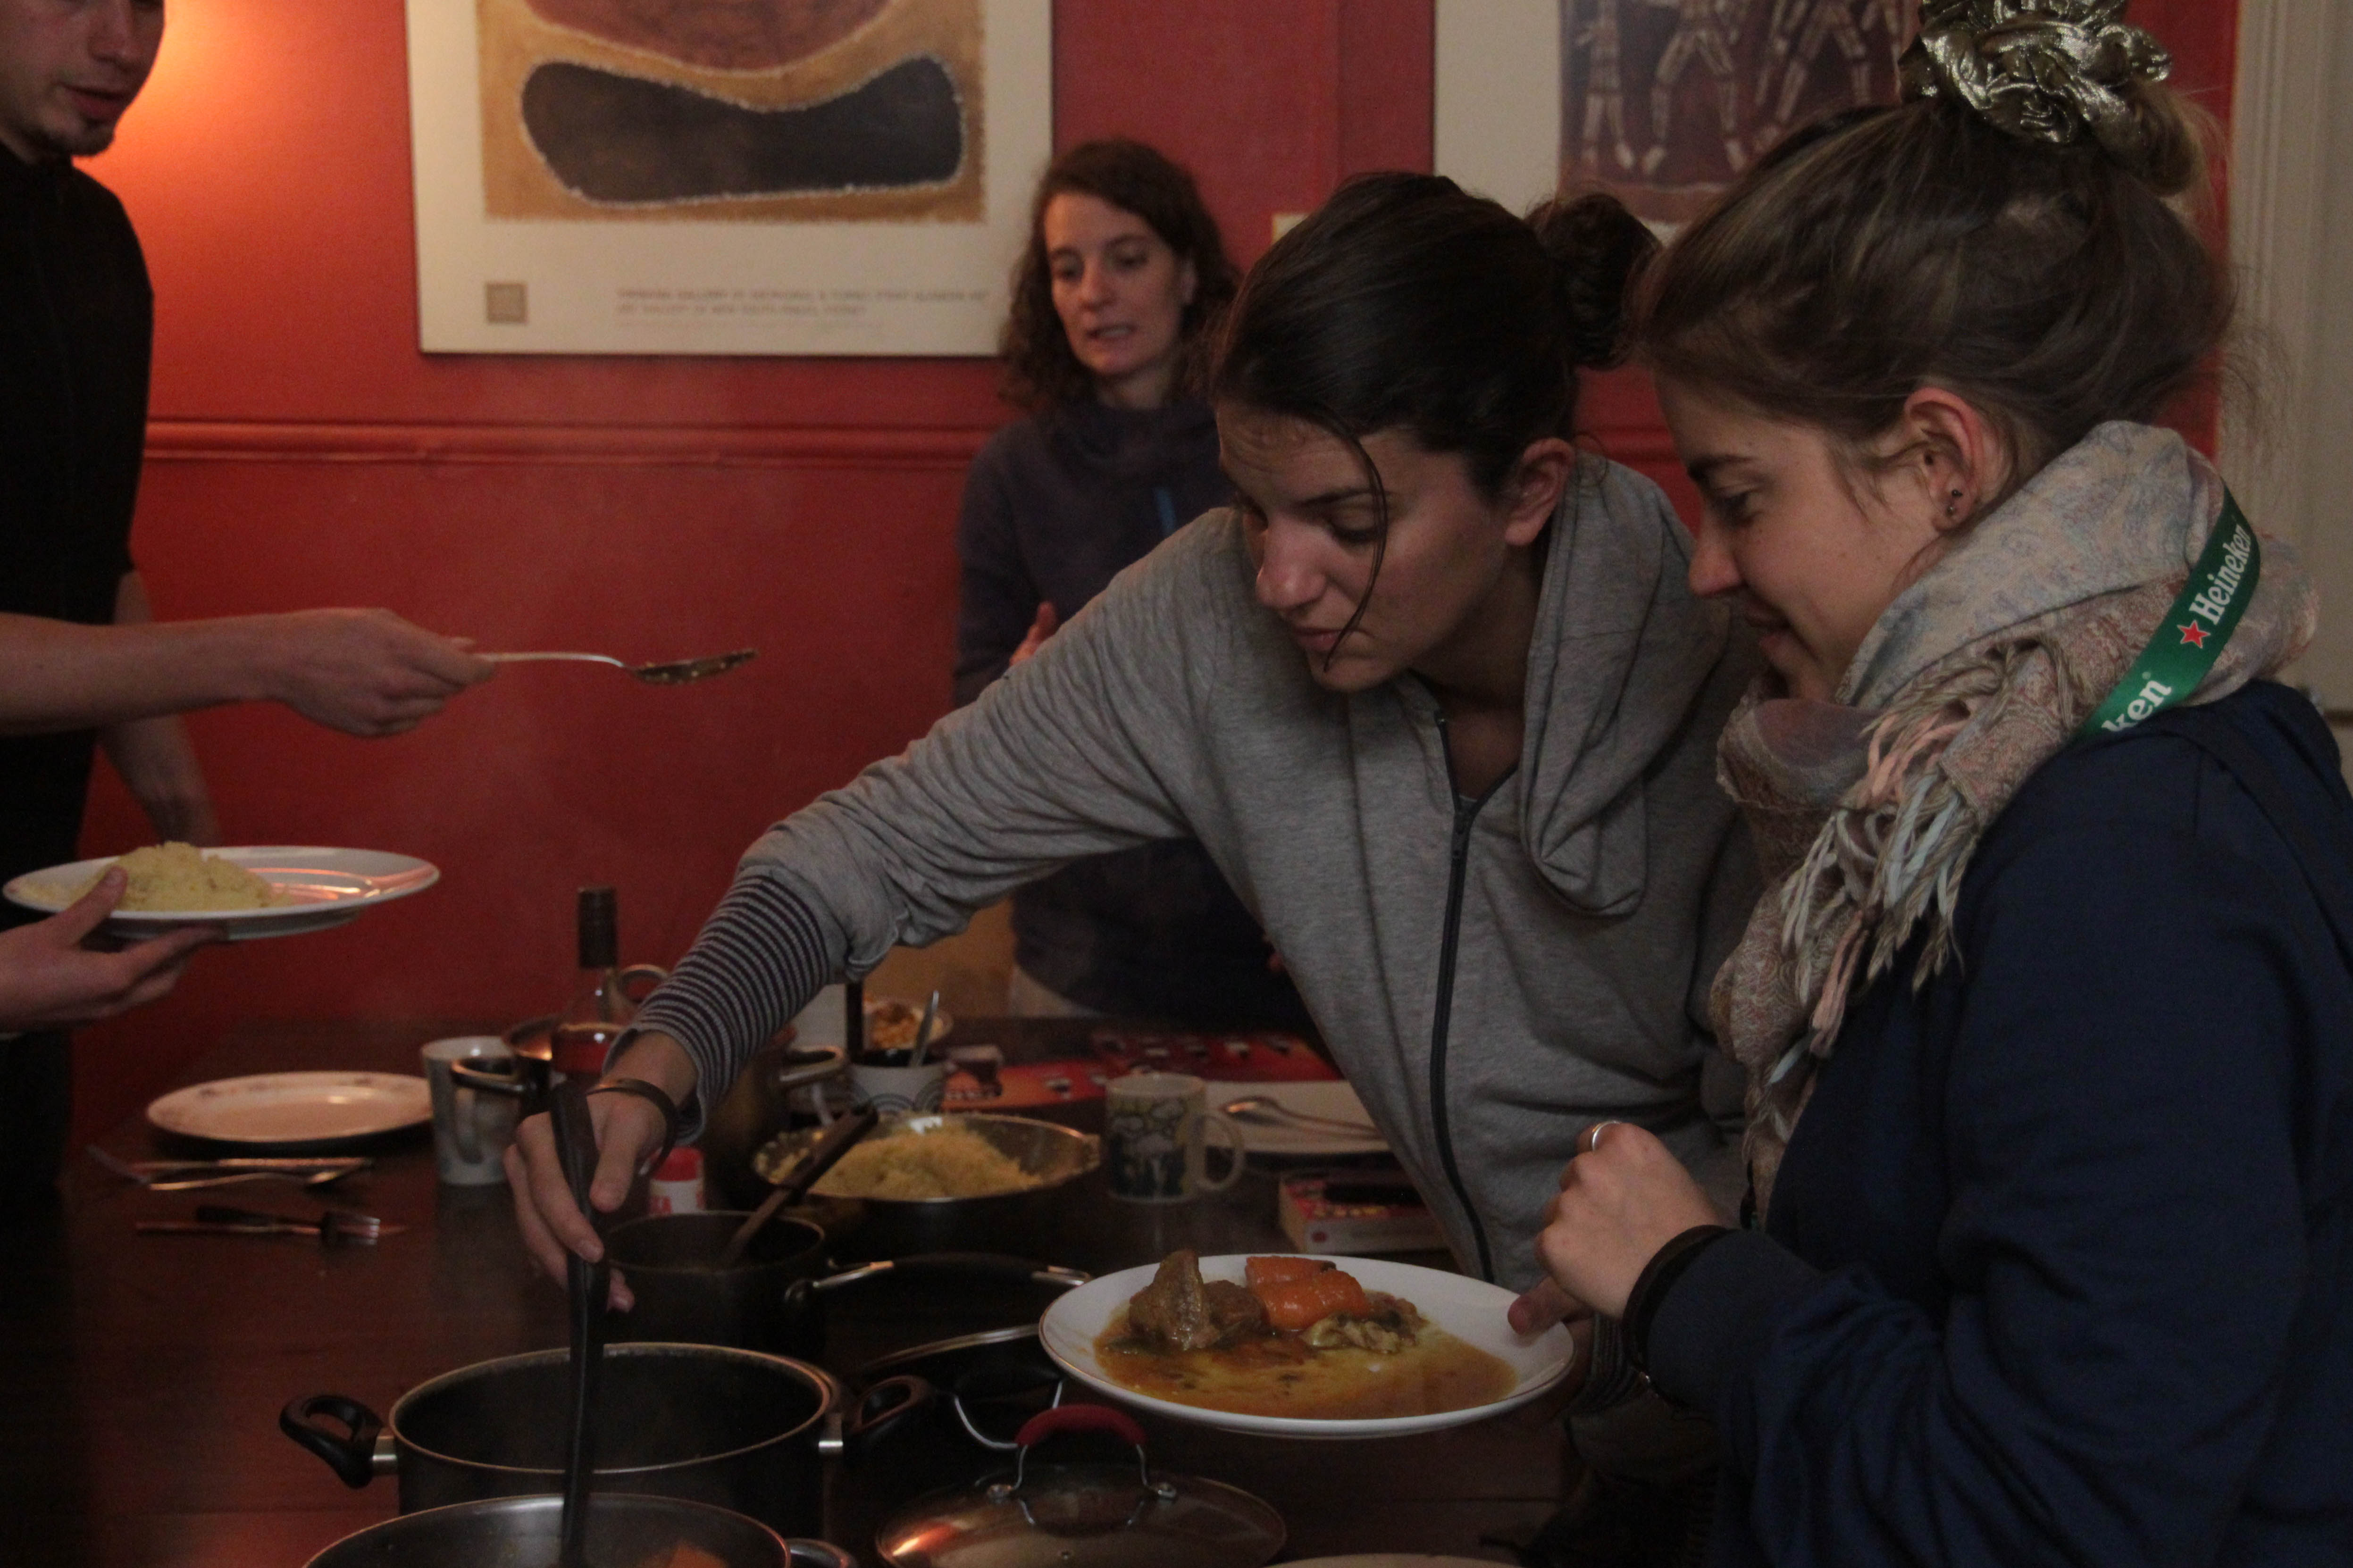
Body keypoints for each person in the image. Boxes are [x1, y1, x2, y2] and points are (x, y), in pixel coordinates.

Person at [1514, 5, 2353, 1561]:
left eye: (1738, 495)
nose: (1705, 568)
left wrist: (1694, 1279)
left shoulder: (2127, 867)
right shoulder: (2051, 770)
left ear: (1938, 464)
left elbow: (2041, 1516)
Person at [0, 0, 497, 1201]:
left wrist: (184, 821)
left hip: (32, 931)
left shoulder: (95, 233)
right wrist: (274, 657)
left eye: (147, 3)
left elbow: (89, 552)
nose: (124, 45)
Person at [956, 138, 1305, 1030]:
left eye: (1127, 259)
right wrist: (1015, 693)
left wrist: (1331, 887)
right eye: (1067, 269)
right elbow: (971, 705)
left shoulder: (1273, 446)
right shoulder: (1015, 472)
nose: (1094, 293)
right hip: (1083, 959)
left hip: (1278, 948)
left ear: (1188, 275)